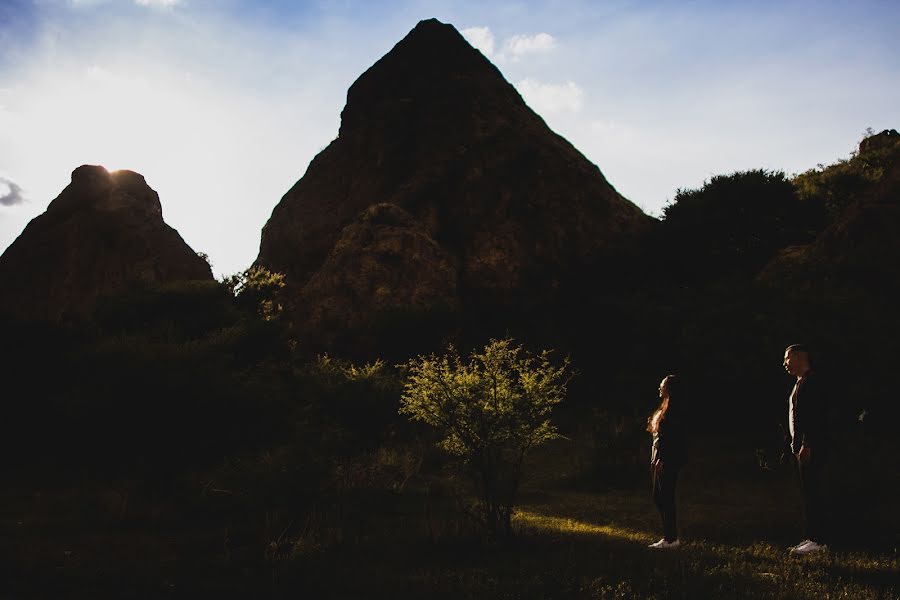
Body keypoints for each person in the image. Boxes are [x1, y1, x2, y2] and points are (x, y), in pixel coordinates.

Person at [782, 344, 829, 555]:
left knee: (813, 492)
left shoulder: (812, 382)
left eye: (788, 358)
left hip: (810, 447)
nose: (785, 363)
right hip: (801, 447)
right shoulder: (800, 383)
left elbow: (814, 417)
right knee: (807, 492)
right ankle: (812, 537)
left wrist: (806, 444)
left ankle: (817, 541)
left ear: (800, 358)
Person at [647, 374, 688, 549]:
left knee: (665, 497)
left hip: (667, 460)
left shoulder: (674, 412)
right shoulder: (665, 407)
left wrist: (662, 459)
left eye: (662, 385)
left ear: (669, 389)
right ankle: (668, 537)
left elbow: (670, 439)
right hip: (659, 458)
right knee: (659, 496)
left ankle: (671, 538)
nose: (659, 388)